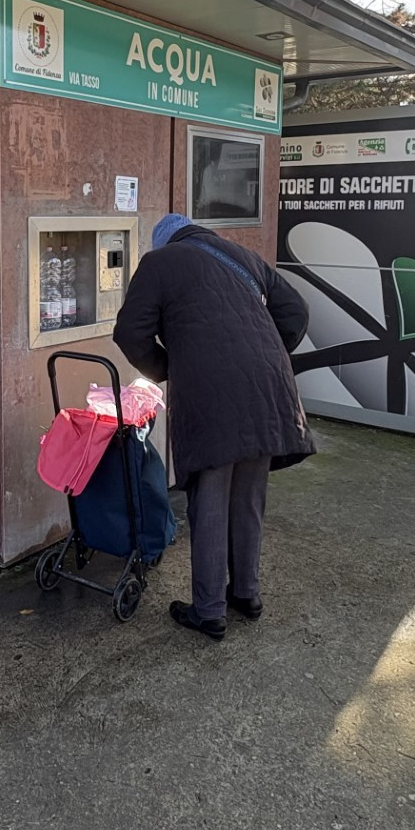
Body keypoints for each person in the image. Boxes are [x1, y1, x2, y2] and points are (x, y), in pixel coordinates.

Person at [112, 211, 313, 641]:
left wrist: (168, 367)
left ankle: (208, 611)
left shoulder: (159, 262)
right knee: (248, 497)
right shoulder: (243, 256)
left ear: (164, 242)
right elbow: (296, 311)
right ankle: (246, 593)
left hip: (211, 394)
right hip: (269, 388)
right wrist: (264, 353)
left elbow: (130, 332)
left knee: (210, 496)